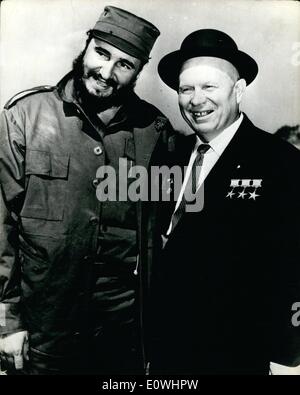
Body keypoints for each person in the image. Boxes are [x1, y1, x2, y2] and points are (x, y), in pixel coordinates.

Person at [0, 5, 175, 375]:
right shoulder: (24, 117)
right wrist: (8, 321)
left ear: (138, 71)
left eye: (124, 65)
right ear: (87, 45)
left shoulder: (154, 132)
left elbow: (163, 231)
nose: (106, 72)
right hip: (44, 330)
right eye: (102, 53)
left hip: (121, 334)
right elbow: (1, 228)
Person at [151, 29, 300, 375]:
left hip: (239, 357)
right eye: (186, 89)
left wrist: (286, 358)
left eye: (209, 87)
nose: (196, 100)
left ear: (238, 90)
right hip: (168, 356)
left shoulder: (280, 162)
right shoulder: (168, 159)